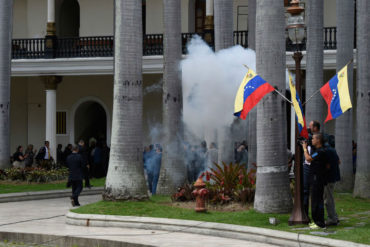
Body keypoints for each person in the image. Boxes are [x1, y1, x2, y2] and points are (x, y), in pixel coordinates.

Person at [302, 133, 328, 229]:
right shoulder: (317, 151)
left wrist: (304, 148)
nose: (311, 140)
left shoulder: (320, 151)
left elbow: (308, 159)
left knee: (317, 201)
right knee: (315, 201)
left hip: (317, 179)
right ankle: (317, 221)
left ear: (318, 140)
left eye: (313, 139)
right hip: (316, 178)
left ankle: (319, 223)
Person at [303, 120, 321, 217]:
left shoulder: (319, 144)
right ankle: (305, 214)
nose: (309, 129)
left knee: (315, 192)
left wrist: (305, 148)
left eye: (310, 127)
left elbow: (309, 158)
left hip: (314, 168)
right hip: (306, 167)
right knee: (305, 191)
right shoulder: (308, 138)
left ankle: (316, 216)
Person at [324, 140, 341, 226]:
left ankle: (332, 218)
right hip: (333, 177)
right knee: (330, 198)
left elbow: (327, 165)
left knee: (328, 200)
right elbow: (339, 161)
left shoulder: (326, 151)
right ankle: (334, 216)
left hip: (328, 178)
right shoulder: (333, 150)